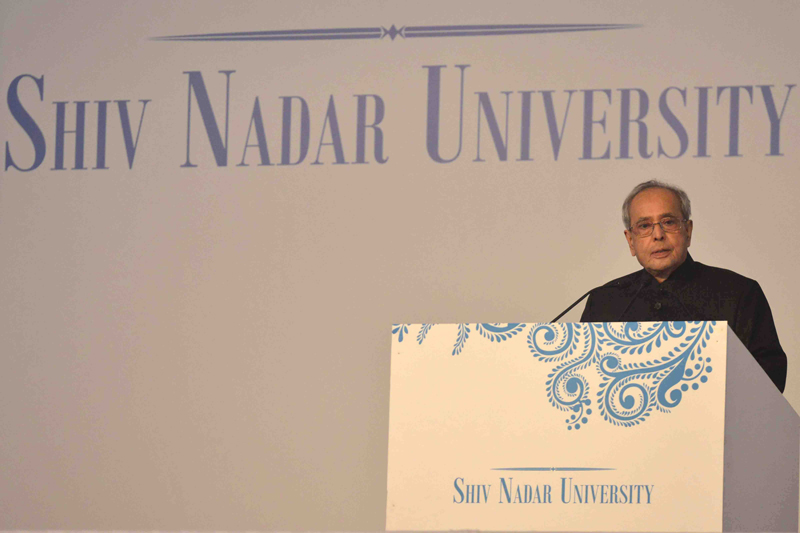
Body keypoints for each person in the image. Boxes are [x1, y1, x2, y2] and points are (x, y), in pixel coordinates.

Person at [580, 180, 787, 392]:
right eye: (644, 226)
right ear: (631, 241)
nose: (658, 235)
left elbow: (769, 380)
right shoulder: (603, 301)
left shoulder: (739, 294)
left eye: (668, 222)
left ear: (687, 231)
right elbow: (585, 382)